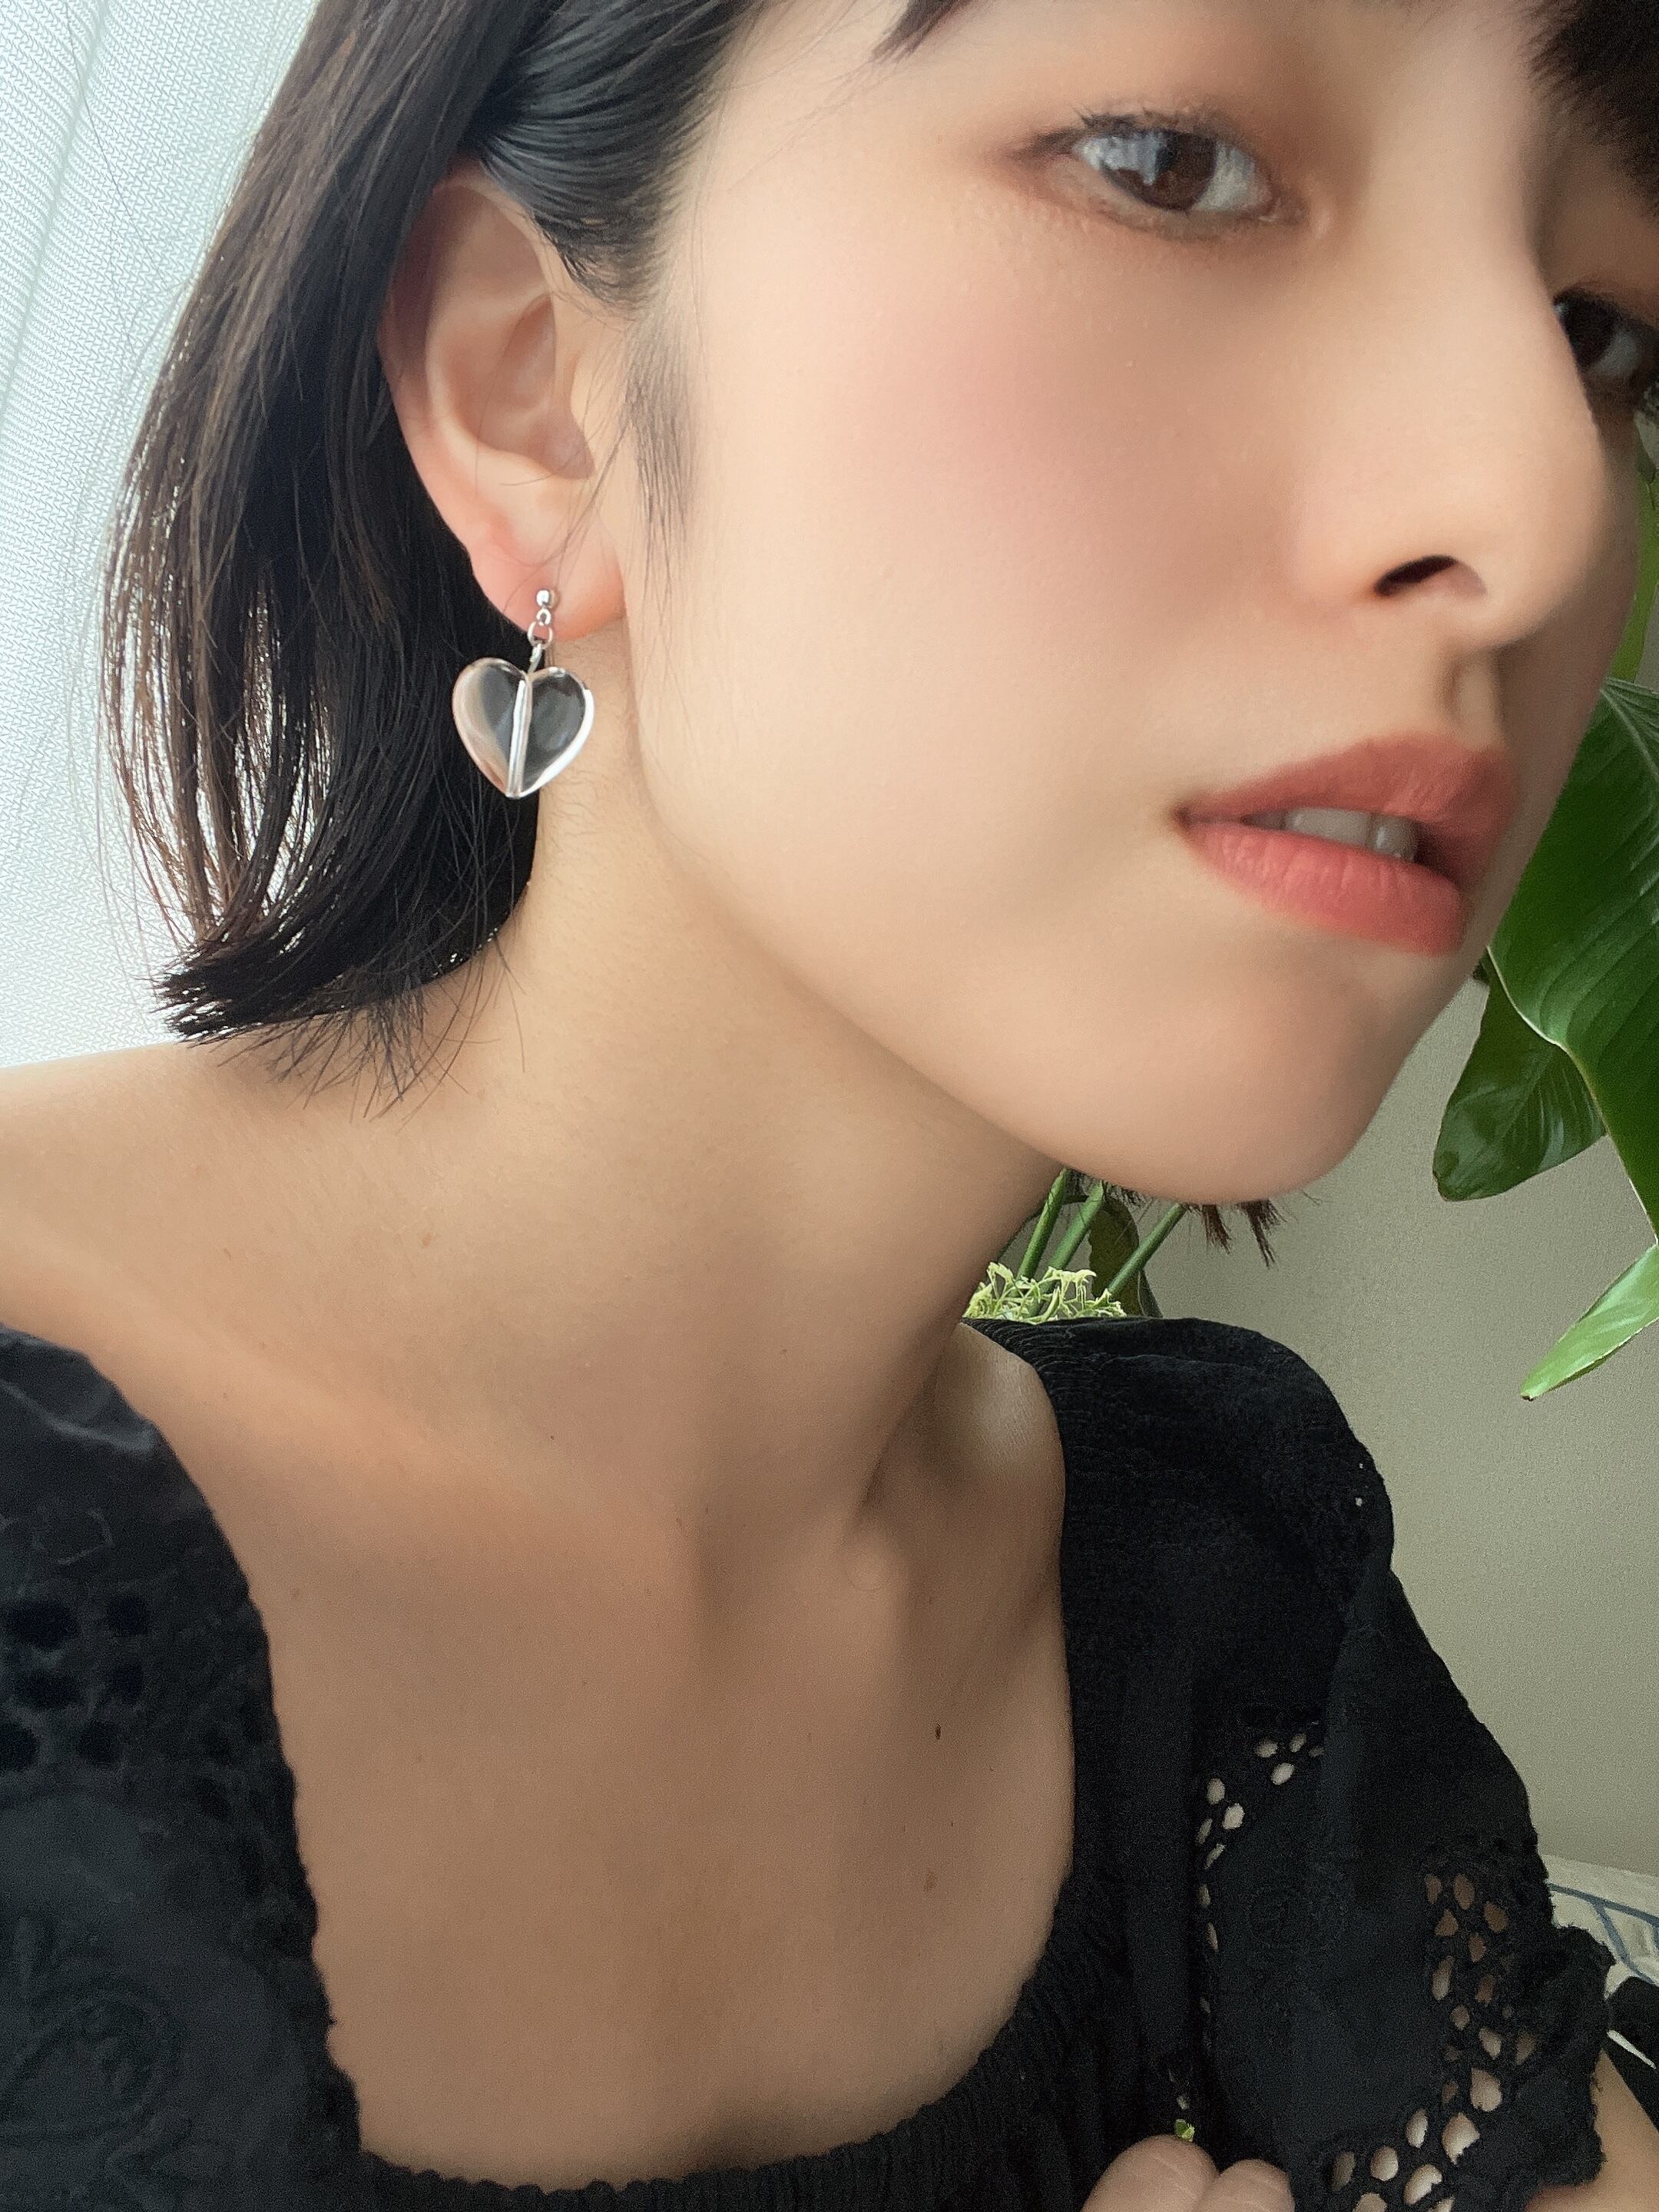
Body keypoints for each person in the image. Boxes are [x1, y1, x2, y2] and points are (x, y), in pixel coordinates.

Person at [0, 0, 1656, 2204]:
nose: (1539, 505)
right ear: (535, 391)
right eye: (1169, 163)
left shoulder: (1221, 1588)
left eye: (1605, 329)